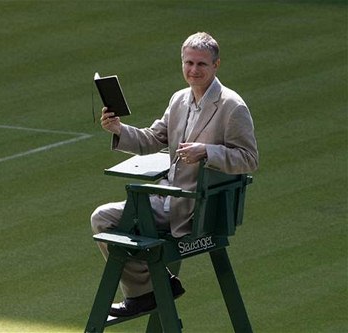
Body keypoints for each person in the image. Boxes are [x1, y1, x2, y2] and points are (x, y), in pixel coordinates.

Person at [91, 32, 259, 317]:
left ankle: (148, 291)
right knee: (105, 218)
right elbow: (151, 139)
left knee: (104, 219)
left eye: (201, 64)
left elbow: (249, 159)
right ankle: (153, 289)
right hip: (169, 198)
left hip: (199, 208)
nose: (193, 70)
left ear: (216, 65)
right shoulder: (179, 99)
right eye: (188, 63)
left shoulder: (233, 106)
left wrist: (206, 151)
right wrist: (118, 129)